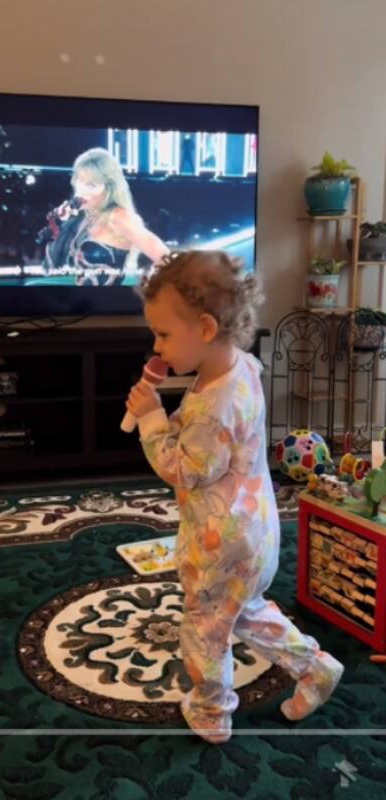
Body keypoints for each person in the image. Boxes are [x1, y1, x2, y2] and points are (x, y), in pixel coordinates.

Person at [127, 250, 344, 743]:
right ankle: (314, 667)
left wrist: (151, 419)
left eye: (162, 333)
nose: (155, 345)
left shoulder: (213, 406)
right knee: (244, 611)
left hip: (220, 542)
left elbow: (183, 469)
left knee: (204, 630)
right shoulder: (240, 367)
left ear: (204, 328)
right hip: (255, 531)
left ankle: (210, 712)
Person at [44, 147, 169, 286]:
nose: (82, 190)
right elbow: (52, 266)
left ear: (109, 188)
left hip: (109, 304)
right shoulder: (85, 217)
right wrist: (61, 224)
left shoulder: (119, 217)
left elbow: (166, 258)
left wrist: (145, 288)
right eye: (79, 181)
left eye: (91, 185)